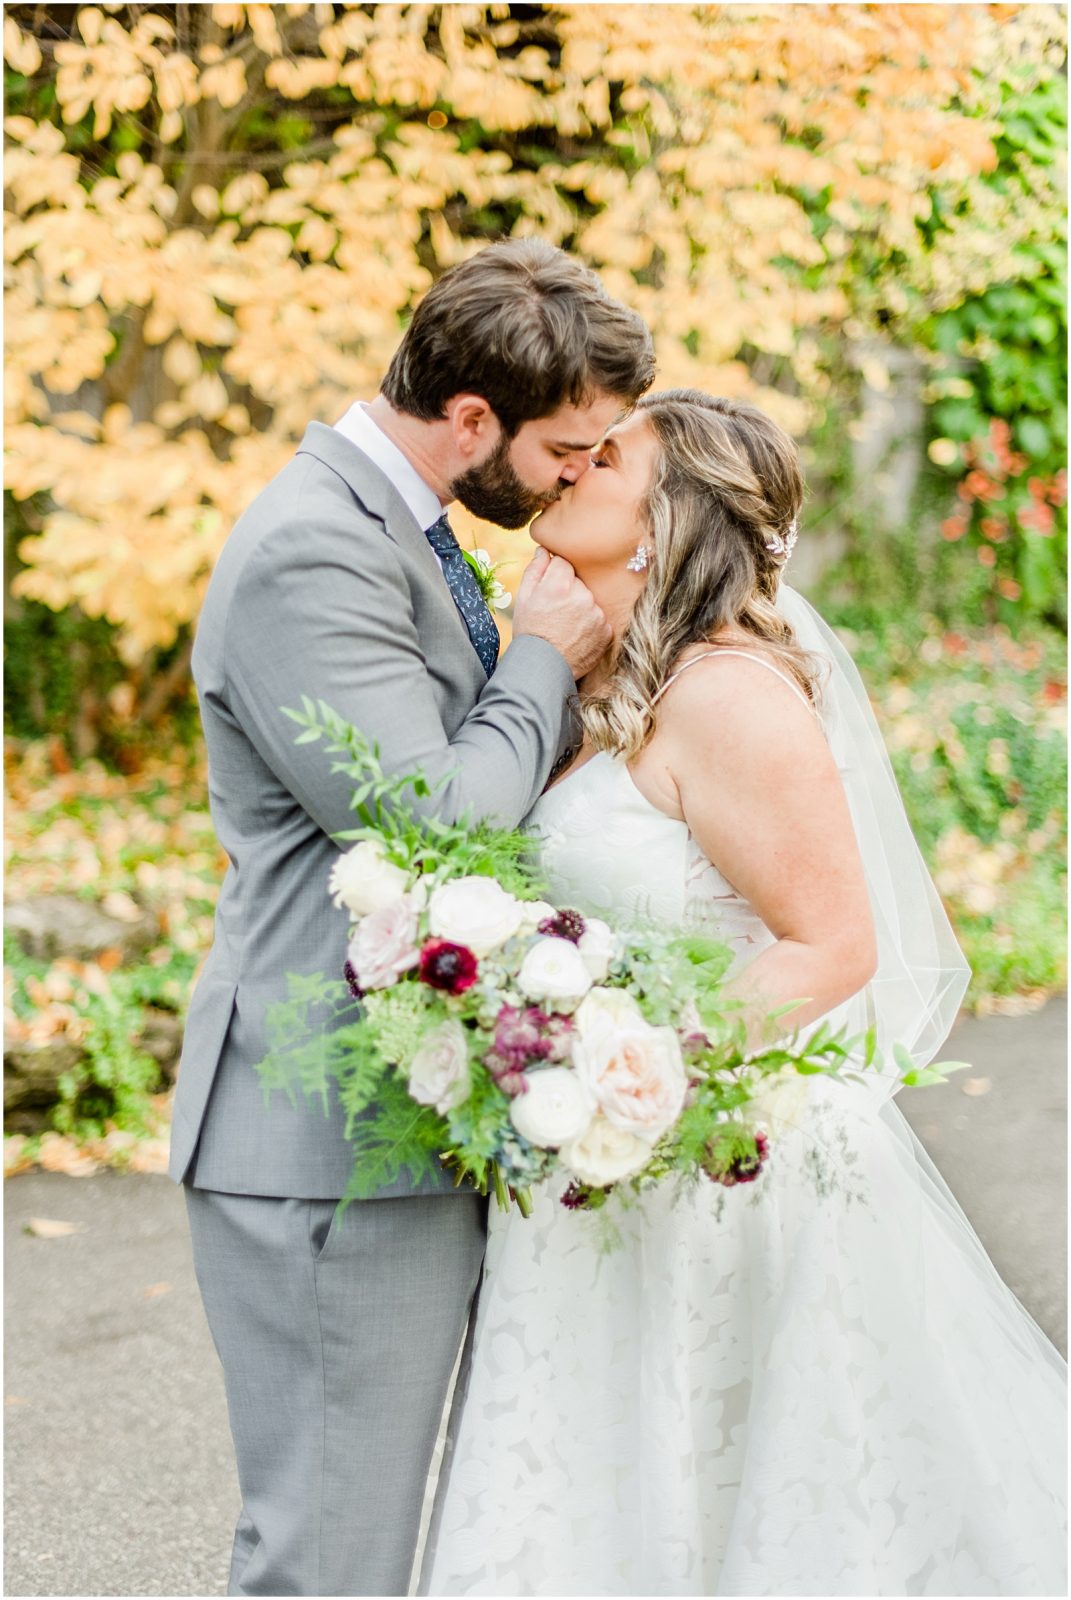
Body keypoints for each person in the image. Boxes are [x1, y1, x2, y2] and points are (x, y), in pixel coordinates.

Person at [420, 391, 1068, 1597]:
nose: (571, 464)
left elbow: (831, 944)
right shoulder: (596, 690)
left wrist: (635, 1079)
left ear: (667, 522)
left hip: (718, 1167)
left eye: (607, 455)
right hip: (601, 1163)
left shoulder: (728, 695)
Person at [168, 239, 655, 1597]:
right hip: (319, 1140)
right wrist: (546, 657)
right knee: (327, 1549)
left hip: (397, 1114)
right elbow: (433, 821)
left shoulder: (400, 528)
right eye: (566, 447)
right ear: (469, 420)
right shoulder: (309, 550)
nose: (574, 475)